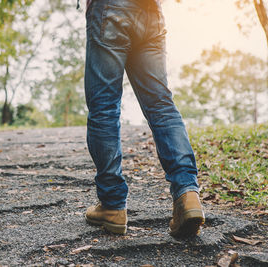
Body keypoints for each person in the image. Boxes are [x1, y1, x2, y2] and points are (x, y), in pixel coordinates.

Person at [83, 0, 205, 236]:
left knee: (104, 107)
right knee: (161, 105)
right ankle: (187, 194)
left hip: (110, 8)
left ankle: (112, 205)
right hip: (150, 11)